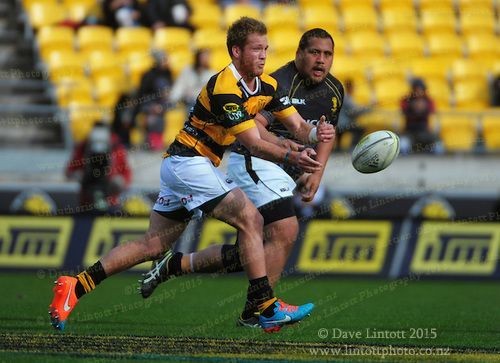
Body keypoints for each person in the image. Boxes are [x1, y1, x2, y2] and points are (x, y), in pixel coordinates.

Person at [48, 17, 334, 333]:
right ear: (236, 51)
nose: (263, 55)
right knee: (251, 220)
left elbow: (297, 125)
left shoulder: (266, 85)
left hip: (187, 166)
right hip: (189, 163)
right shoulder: (225, 87)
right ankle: (264, 307)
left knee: (152, 246)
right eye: (256, 49)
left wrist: (315, 134)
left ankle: (75, 285)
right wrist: (293, 153)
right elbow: (253, 142)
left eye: (266, 48)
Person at [139, 28, 343, 328]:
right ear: (299, 53)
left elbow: (326, 133)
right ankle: (260, 311)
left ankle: (176, 264)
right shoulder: (279, 82)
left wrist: (318, 171)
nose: (321, 60)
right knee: (285, 229)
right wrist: (285, 148)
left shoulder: (336, 90)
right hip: (256, 159)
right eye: (315, 52)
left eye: (327, 55)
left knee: (246, 252)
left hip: (287, 164)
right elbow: (255, 129)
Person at [65, 122, 132, 213]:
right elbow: (70, 170)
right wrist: (78, 175)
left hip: (111, 199)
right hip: (87, 200)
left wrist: (120, 181)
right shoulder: (83, 147)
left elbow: (126, 173)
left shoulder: (117, 147)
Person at [135, 50, 173, 150]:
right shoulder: (148, 75)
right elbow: (142, 96)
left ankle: (156, 140)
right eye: (164, 60)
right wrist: (152, 106)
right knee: (153, 116)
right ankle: (152, 141)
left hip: (163, 105)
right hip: (149, 104)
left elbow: (170, 94)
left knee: (161, 112)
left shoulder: (168, 74)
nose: (166, 62)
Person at [400, 78, 441, 154]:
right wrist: (413, 107)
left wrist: (423, 108)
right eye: (416, 90)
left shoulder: (428, 100)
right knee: (403, 145)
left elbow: (432, 111)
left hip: (424, 130)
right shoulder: (407, 100)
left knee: (438, 147)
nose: (418, 92)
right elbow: (403, 109)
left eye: (421, 90)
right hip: (410, 131)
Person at [169, 48, 215, 113]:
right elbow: (180, 85)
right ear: (198, 57)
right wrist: (173, 99)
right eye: (204, 57)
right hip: (189, 101)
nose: (206, 59)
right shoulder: (187, 71)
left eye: (207, 57)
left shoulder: (212, 73)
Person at [336, 79, 370, 150]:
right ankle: (353, 147)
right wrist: (367, 109)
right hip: (342, 124)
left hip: (338, 123)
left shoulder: (344, 96)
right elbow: (354, 111)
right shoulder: (346, 97)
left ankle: (338, 147)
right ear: (350, 87)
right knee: (360, 129)